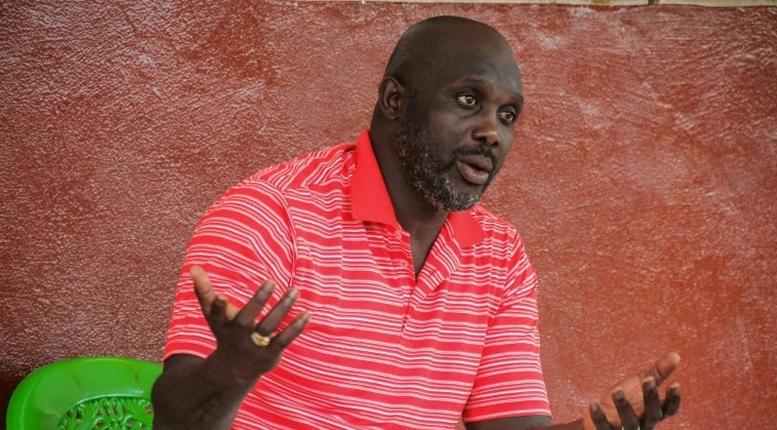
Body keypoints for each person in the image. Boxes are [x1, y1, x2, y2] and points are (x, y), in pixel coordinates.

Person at [152, 16, 682, 430]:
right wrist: (232, 371)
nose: (492, 133)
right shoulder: (270, 215)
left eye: (507, 114)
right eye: (469, 100)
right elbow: (175, 419)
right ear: (395, 101)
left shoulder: (499, 256)